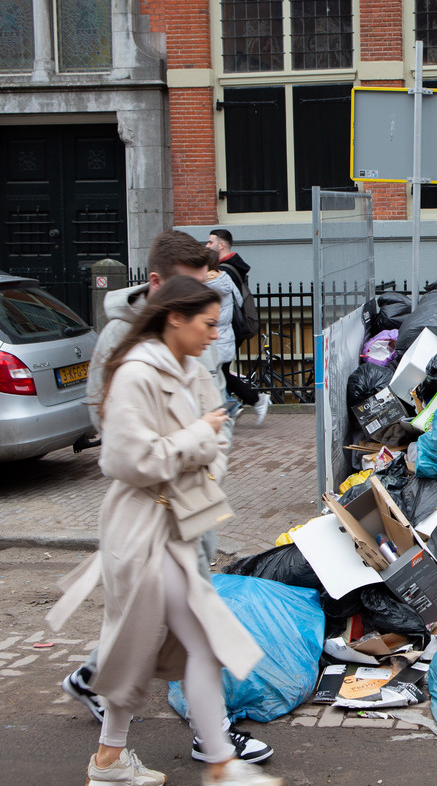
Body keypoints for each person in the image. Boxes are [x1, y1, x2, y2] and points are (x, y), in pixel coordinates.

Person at [48, 276, 282, 786]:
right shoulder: (138, 372)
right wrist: (197, 440)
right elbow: (126, 458)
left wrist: (201, 451)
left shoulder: (192, 369)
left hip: (177, 524)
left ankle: (111, 759)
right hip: (141, 528)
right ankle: (220, 762)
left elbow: (217, 445)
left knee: (140, 649)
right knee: (196, 640)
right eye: (208, 324)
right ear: (175, 316)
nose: (214, 335)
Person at [205, 249, 269, 425]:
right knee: (220, 374)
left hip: (214, 337)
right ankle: (240, 403)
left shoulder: (205, 284)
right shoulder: (225, 278)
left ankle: (236, 404)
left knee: (216, 374)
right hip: (227, 335)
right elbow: (239, 301)